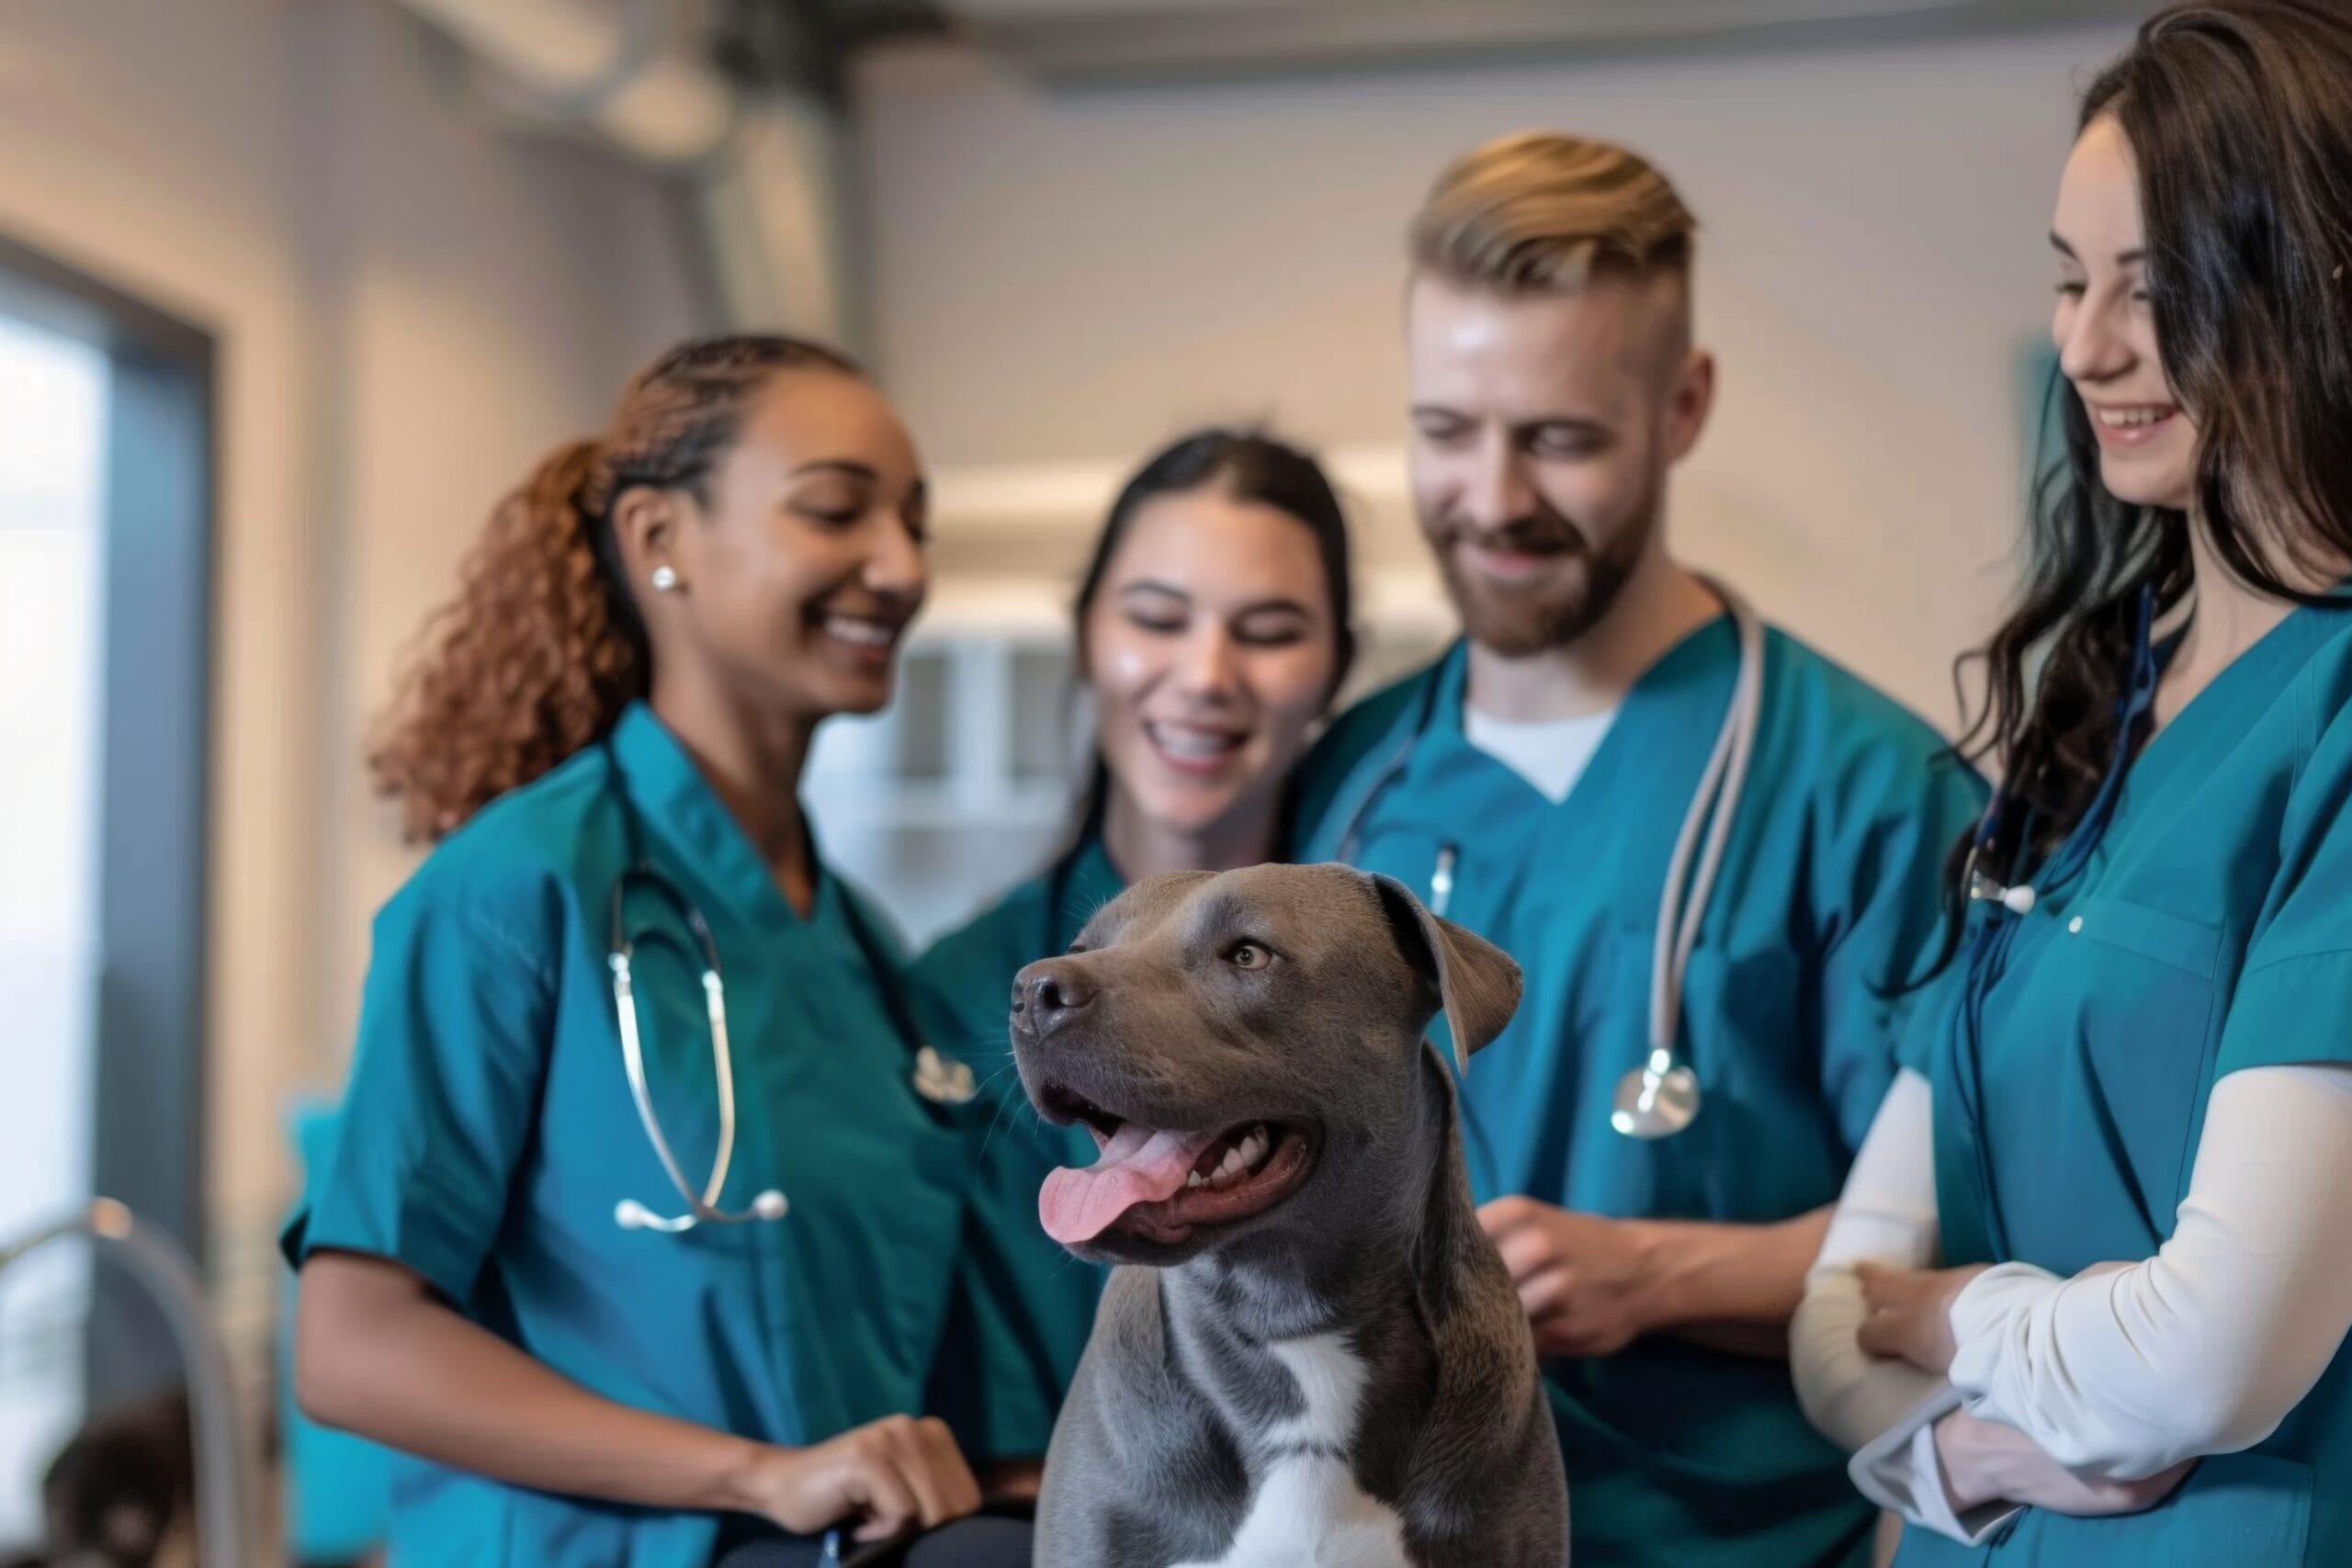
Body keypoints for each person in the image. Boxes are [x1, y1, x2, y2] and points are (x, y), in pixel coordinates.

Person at [1288, 133, 1985, 1567]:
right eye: (1444, 428)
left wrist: (1661, 1272)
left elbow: (1974, 1244)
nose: (1489, 496)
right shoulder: (1351, 780)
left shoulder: (1868, 792)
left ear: (1683, 406)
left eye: (1558, 437)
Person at [284, 335, 1040, 1568]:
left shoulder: (861, 959)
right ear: (657, 539)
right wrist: (760, 1474)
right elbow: (352, 1340)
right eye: (837, 511)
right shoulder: (515, 885)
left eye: (916, 524)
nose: (900, 568)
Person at [1792, 4, 2352, 1562]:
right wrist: (1975, 1455)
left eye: (2158, 291)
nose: (2088, 344)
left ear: (2318, 293)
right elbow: (1837, 1321)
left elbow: (2212, 1362)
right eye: (2067, 275)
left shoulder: (2336, 728)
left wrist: (1963, 1312)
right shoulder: (2087, 717)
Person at [911, 428, 1356, 1453]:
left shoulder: (1380, 988)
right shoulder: (956, 995)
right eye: (1156, 618)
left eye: (1270, 629)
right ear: (1082, 637)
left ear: (1335, 668)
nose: (1205, 675)